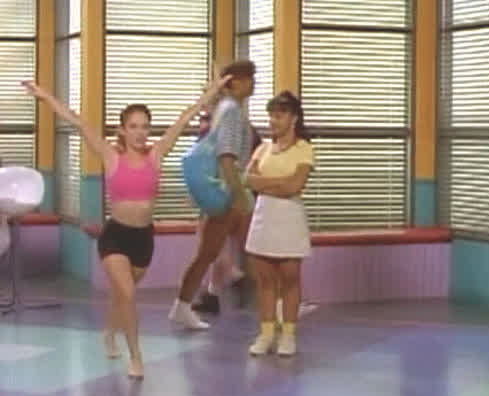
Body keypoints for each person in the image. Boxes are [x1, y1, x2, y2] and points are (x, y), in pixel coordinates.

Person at [22, 75, 230, 378]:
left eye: (145, 126)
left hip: (143, 239)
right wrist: (45, 96)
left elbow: (184, 118)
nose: (140, 132)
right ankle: (136, 357)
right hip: (115, 237)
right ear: (122, 130)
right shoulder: (111, 156)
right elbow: (77, 122)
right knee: (128, 294)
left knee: (122, 295)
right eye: (133, 126)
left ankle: (109, 333)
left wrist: (213, 92)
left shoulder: (157, 154)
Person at [169, 60, 256, 328]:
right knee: (218, 253)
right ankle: (276, 307)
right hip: (227, 192)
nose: (253, 83)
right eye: (248, 78)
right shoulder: (232, 112)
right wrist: (238, 195)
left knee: (210, 253)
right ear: (235, 82)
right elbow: (227, 157)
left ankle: (184, 305)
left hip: (223, 190)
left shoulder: (226, 109)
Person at [244, 91, 313, 356]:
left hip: (289, 218)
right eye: (271, 115)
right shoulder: (262, 149)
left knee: (290, 279)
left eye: (279, 115)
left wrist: (266, 184)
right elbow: (249, 180)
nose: (273, 120)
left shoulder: (304, 149)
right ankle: (266, 334)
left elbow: (294, 186)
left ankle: (288, 335)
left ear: (293, 119)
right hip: (263, 217)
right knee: (265, 281)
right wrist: (279, 183)